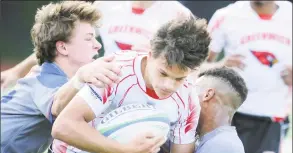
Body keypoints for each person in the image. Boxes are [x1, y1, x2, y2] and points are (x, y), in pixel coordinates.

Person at [47, 16, 210, 153]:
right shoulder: (115, 72)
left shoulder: (188, 98)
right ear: (150, 54)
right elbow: (63, 127)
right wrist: (123, 151)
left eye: (179, 78)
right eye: (163, 73)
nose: (169, 85)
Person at [0, 1, 121, 153]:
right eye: (88, 38)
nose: (97, 45)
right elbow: (57, 108)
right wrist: (80, 78)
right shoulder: (48, 80)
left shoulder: (51, 75)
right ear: (62, 47)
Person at [205, 1, 292, 153]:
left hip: (270, 120)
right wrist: (220, 64)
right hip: (225, 117)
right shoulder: (226, 15)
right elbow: (196, 66)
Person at [1, 1, 192, 90]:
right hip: (103, 87)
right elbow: (61, 44)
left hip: (150, 95)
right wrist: (16, 72)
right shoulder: (106, 6)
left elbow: (194, 66)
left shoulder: (179, 14)